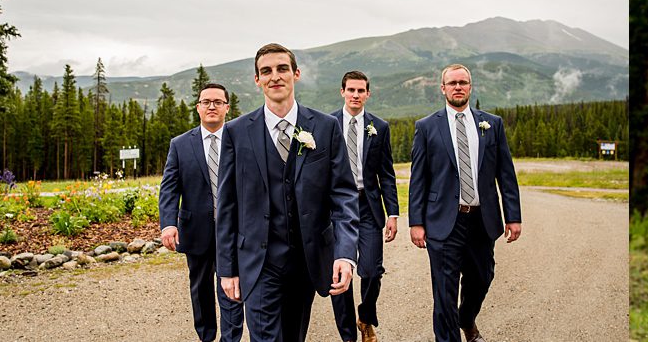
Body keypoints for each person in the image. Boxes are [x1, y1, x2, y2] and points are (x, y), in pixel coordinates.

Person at [216, 43, 362, 342]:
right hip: (258, 261)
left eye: (282, 69)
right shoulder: (236, 131)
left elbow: (343, 195)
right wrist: (227, 269)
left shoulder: (325, 126)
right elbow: (227, 204)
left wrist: (345, 254)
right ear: (257, 80)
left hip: (305, 261)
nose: (275, 77)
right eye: (266, 71)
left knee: (294, 335)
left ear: (296, 73)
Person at [408, 63, 523, 342]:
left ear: (470, 87)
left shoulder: (491, 124)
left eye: (463, 82)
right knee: (444, 291)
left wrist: (513, 215)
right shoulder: (426, 127)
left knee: (482, 278)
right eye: (452, 83)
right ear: (443, 88)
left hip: (482, 220)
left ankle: (467, 319)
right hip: (443, 221)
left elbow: (505, 173)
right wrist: (416, 222)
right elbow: (418, 179)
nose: (458, 87)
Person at [158, 83, 242, 342]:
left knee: (232, 288)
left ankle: (231, 339)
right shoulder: (180, 144)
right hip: (196, 231)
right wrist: (168, 223)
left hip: (235, 230)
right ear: (198, 108)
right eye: (206, 102)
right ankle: (206, 336)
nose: (212, 106)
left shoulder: (241, 140)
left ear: (227, 107)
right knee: (201, 290)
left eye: (218, 101)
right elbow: (170, 188)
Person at [330, 71, 398, 342]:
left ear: (368, 94)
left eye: (361, 91)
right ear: (342, 92)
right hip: (335, 207)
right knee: (338, 273)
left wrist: (392, 212)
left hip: (367, 205)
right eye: (351, 90)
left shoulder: (379, 127)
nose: (356, 95)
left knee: (371, 270)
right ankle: (348, 335)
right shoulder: (328, 124)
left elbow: (387, 174)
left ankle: (366, 317)